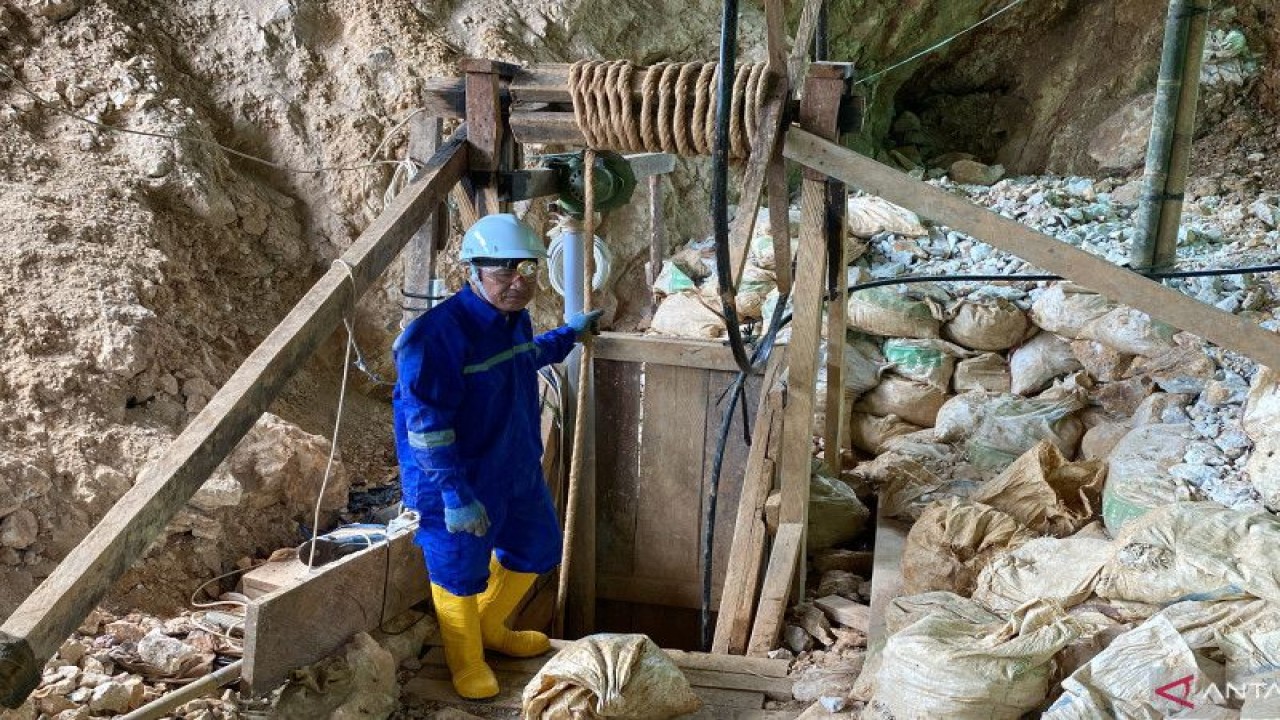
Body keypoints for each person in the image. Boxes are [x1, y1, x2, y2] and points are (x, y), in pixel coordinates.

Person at [392, 213, 602, 699]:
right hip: (457, 480)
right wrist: (453, 493)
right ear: (471, 271)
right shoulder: (434, 337)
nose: (517, 282)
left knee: (538, 548)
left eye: (525, 269)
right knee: (458, 569)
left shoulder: (513, 319)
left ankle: (488, 627)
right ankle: (465, 660)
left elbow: (522, 359)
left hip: (513, 465)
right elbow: (426, 427)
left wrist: (568, 333)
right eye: (502, 271)